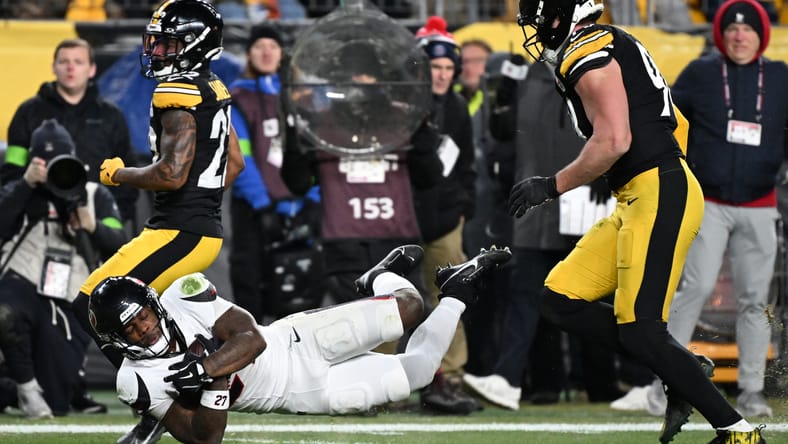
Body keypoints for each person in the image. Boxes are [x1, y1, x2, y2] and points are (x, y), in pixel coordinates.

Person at [513, 1, 765, 443]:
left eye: (541, 19)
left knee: (642, 329)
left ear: (564, 14)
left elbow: (614, 139)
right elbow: (673, 125)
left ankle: (738, 433)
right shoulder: (612, 40)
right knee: (559, 298)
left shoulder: (585, 50)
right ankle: (679, 365)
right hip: (643, 192)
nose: (537, 30)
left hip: (657, 189)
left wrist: (552, 185)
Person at [87, 245, 511, 443]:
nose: (143, 330)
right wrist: (213, 387)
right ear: (116, 339)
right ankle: (458, 291)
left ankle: (375, 277)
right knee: (416, 372)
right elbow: (204, 440)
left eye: (142, 317)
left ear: (153, 304)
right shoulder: (137, 381)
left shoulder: (183, 293)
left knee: (410, 306)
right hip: (300, 393)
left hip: (294, 342)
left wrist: (206, 369)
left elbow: (250, 337)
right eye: (131, 330)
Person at [71, 1, 243, 442]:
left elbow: (170, 173)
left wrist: (118, 174)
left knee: (93, 305)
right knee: (135, 314)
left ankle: (160, 408)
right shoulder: (213, 88)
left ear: (194, 45)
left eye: (168, 43)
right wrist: (199, 202)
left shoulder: (179, 93)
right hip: (192, 228)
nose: (158, 51)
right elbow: (234, 165)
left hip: (180, 230)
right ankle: (172, 399)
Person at [651, 0, 788, 419]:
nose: (739, 35)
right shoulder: (701, 73)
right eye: (731, 29)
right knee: (694, 288)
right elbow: (667, 122)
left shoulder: (781, 77)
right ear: (720, 34)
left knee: (754, 300)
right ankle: (665, 386)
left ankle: (750, 391)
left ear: (761, 35)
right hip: (708, 202)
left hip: (761, 204)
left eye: (748, 30)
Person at [0, 120, 126, 418]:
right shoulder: (19, 190)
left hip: (70, 297)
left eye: (60, 162)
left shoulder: (95, 194)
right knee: (4, 311)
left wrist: (91, 225)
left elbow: (121, 244)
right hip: (22, 282)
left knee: (57, 403)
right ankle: (27, 390)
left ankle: (13, 384)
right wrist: (25, 184)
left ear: (73, 160)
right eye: (44, 162)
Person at [228, 23, 320, 322]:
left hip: (301, 208)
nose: (266, 53)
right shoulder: (237, 97)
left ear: (283, 53)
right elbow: (239, 156)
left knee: (302, 290)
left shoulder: (302, 96)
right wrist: (263, 204)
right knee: (250, 284)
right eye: (259, 47)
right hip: (255, 211)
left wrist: (314, 198)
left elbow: (317, 152)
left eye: (273, 46)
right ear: (249, 53)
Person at [412, 16, 480, 415]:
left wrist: (462, 209)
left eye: (447, 68)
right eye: (434, 67)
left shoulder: (456, 107)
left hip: (443, 218)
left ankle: (450, 379)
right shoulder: (404, 105)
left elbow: (468, 163)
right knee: (389, 301)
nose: (441, 75)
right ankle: (377, 380)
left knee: (451, 298)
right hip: (402, 217)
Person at [2, 38, 139, 226]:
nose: (70, 68)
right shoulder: (28, 112)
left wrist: (109, 227)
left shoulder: (111, 116)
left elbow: (127, 177)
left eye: (78, 62)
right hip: (39, 220)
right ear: (53, 67)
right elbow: (11, 172)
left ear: (92, 69)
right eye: (64, 61)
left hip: (95, 218)